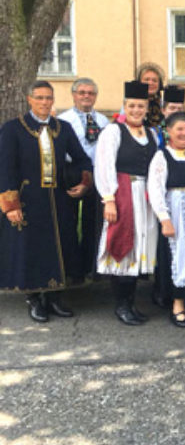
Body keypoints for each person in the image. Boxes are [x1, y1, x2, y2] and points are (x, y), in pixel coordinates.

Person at [0, 81, 92, 322]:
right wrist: (11, 204)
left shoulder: (63, 128)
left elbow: (82, 159)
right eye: (39, 98)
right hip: (29, 200)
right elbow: (5, 169)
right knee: (32, 249)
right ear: (29, 100)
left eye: (48, 98)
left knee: (59, 247)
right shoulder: (13, 129)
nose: (44, 103)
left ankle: (54, 298)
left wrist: (84, 182)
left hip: (58, 200)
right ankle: (34, 299)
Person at [95, 81, 159, 326]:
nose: (136, 110)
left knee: (139, 246)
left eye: (141, 106)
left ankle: (131, 302)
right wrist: (109, 199)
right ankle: (121, 305)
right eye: (131, 105)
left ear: (146, 107)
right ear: (124, 106)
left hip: (145, 195)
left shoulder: (151, 133)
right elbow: (104, 165)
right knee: (123, 244)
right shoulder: (113, 132)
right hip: (123, 192)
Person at [147, 112, 185, 327]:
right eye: (179, 129)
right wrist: (165, 219)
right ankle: (177, 306)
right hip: (176, 211)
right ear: (169, 132)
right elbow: (155, 189)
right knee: (179, 256)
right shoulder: (162, 155)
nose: (184, 133)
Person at [57, 77, 109, 283]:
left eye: (91, 93)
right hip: (71, 173)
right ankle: (72, 269)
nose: (86, 96)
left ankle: (91, 266)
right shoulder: (63, 120)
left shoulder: (104, 121)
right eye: (82, 92)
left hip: (98, 175)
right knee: (68, 222)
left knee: (93, 222)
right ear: (74, 95)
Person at [135, 62, 166, 128]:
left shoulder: (164, 104)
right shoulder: (132, 104)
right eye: (147, 80)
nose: (150, 83)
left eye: (154, 80)